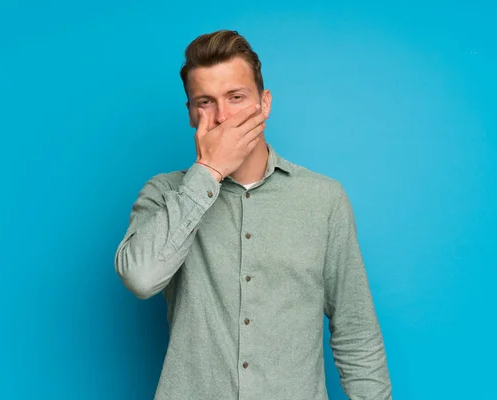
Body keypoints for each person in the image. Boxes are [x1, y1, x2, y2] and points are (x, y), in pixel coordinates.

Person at [114, 29, 392, 400]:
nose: (224, 116)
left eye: (236, 97)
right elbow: (140, 277)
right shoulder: (165, 194)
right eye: (206, 102)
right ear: (191, 115)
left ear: (264, 103)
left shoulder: (323, 199)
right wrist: (209, 170)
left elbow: (356, 331)